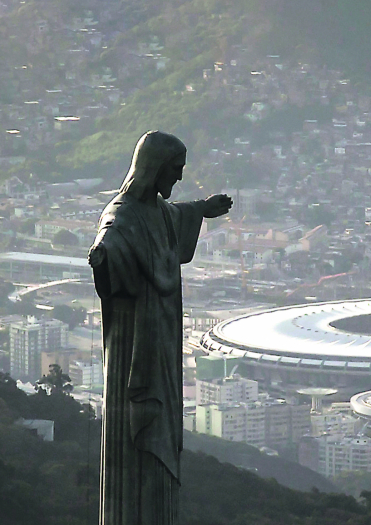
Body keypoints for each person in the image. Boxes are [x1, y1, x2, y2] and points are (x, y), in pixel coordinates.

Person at [89, 131, 231, 524]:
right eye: (175, 170)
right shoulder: (122, 214)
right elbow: (111, 239)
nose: (179, 179)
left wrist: (204, 208)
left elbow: (176, 214)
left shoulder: (158, 210)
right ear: (154, 169)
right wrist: (102, 255)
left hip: (162, 337)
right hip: (134, 340)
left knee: (163, 428)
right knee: (133, 430)